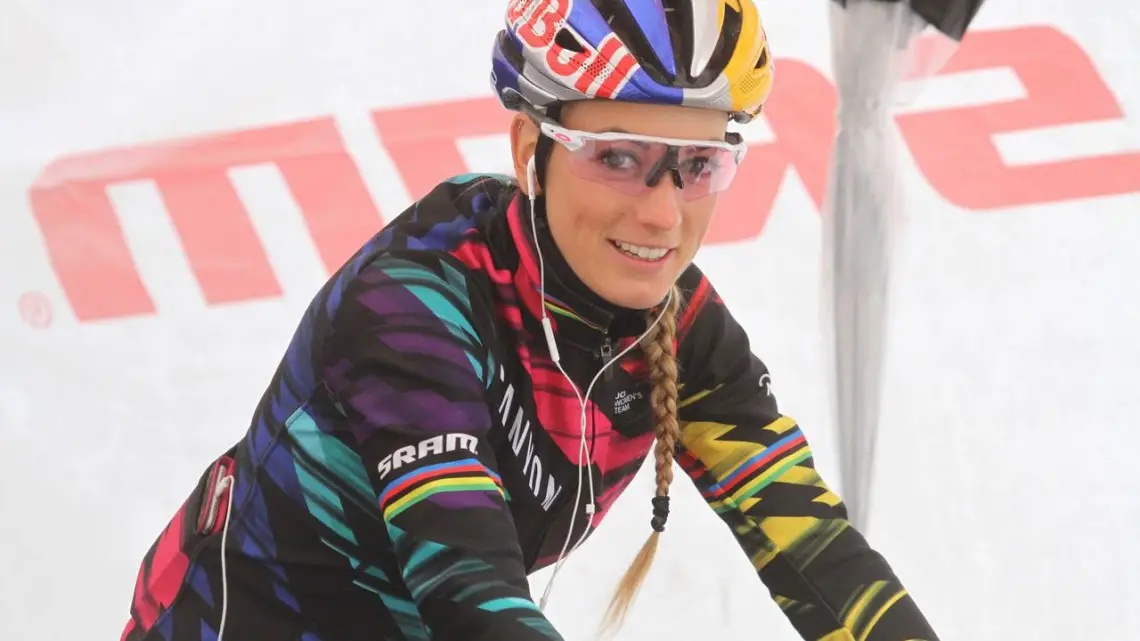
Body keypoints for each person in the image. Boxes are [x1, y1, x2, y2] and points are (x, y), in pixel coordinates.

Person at [119, 1, 940, 640]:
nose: (662, 213)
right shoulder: (413, 306)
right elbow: (470, 593)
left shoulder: (681, 327)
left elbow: (814, 546)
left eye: (699, 166)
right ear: (528, 150)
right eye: (619, 156)